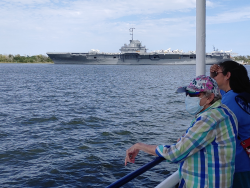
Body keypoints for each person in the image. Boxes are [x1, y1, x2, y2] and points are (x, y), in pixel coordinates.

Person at [125, 75, 238, 188]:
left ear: (210, 98)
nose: (189, 97)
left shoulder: (208, 118)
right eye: (187, 93)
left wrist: (139, 146)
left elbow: (176, 153)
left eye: (194, 94)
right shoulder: (225, 112)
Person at [210, 60, 250, 187]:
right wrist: (212, 76)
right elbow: (216, 89)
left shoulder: (230, 101)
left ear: (227, 75)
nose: (215, 76)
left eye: (217, 73)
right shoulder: (239, 94)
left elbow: (213, 128)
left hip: (240, 161)